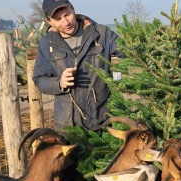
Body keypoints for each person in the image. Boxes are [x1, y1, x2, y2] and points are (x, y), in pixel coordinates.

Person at [33, 0, 123, 135]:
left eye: (67, 15)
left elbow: (129, 50)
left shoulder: (101, 34)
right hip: (68, 127)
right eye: (58, 19)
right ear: (49, 21)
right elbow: (39, 79)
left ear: (73, 9)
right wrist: (59, 83)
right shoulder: (47, 44)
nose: (66, 22)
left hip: (103, 121)